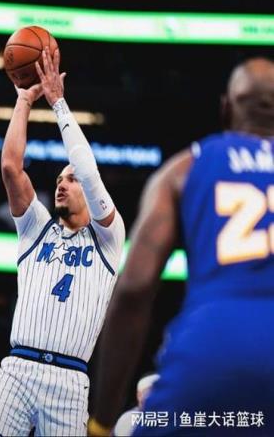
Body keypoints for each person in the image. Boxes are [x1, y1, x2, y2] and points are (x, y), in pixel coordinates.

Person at [89, 57, 274, 436]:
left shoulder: (184, 169)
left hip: (213, 350)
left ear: (226, 109)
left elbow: (134, 288)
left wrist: (101, 421)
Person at [0, 48, 125, 436]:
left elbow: (89, 172)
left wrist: (58, 104)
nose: (62, 184)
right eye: (58, 179)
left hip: (70, 381)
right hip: (17, 370)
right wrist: (24, 101)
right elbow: (11, 167)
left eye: (70, 179)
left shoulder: (109, 237)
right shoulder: (36, 227)